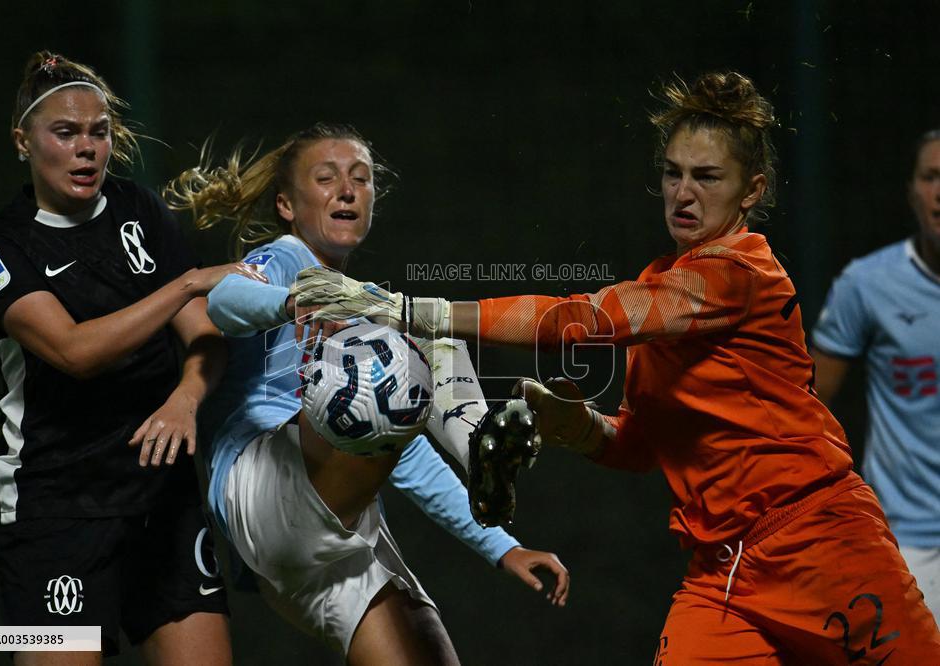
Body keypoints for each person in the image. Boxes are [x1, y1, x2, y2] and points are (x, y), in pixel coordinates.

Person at [292, 73, 940, 662]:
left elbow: (575, 320)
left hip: (818, 542)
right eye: (673, 172)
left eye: (707, 177)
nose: (683, 193)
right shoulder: (664, 287)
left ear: (753, 190)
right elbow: (640, 443)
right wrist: (572, 424)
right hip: (721, 575)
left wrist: (406, 309)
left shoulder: (738, 274)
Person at [165, 122, 569, 665]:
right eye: (326, 178)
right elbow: (226, 299)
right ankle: (476, 438)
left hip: (327, 529)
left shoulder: (366, 306)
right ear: (286, 204)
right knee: (409, 342)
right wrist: (291, 302)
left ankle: (477, 444)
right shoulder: (287, 260)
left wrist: (501, 546)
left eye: (361, 178)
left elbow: (408, 457)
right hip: (263, 484)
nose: (348, 190)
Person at [0, 52, 264, 665]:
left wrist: (185, 401)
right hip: (57, 511)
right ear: (23, 141)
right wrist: (184, 283)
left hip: (163, 502)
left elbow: (204, 340)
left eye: (99, 133)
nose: (87, 149)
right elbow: (75, 351)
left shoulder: (140, 210)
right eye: (65, 133)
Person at [811, 129, 940, 618]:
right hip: (905, 548)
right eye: (932, 177)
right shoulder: (867, 285)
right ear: (912, 191)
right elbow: (807, 408)